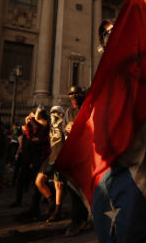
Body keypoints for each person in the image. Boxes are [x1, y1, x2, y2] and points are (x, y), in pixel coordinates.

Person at [63, 85, 92, 237]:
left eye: (76, 93)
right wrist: (67, 128)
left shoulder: (89, 109)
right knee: (73, 188)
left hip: (89, 154)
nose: (74, 96)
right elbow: (63, 130)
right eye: (71, 94)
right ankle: (78, 219)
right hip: (74, 154)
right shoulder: (69, 112)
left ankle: (90, 216)